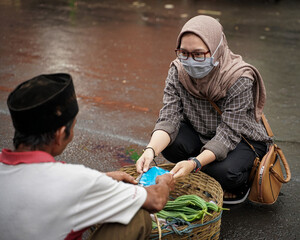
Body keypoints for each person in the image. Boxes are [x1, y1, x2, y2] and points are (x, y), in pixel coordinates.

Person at [0, 73, 175, 240]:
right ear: (61, 134)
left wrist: (102, 179)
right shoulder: (76, 180)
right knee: (137, 216)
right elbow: (156, 200)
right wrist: (164, 182)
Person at [136, 15, 272, 205]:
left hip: (241, 139)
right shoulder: (178, 71)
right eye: (183, 53)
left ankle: (238, 183)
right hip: (202, 132)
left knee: (223, 172)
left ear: (216, 49)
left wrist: (195, 163)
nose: (190, 60)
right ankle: (202, 168)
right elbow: (168, 117)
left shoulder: (239, 77)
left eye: (198, 54)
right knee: (170, 144)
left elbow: (228, 134)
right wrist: (150, 151)